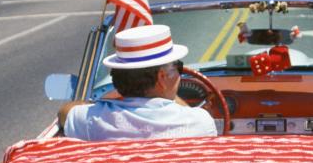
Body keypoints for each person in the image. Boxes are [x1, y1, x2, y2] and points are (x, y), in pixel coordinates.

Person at [63, 24, 216, 141]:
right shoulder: (199, 123)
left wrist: (98, 106)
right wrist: (170, 95)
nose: (180, 74)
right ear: (162, 77)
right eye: (178, 67)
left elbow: (65, 112)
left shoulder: (91, 119)